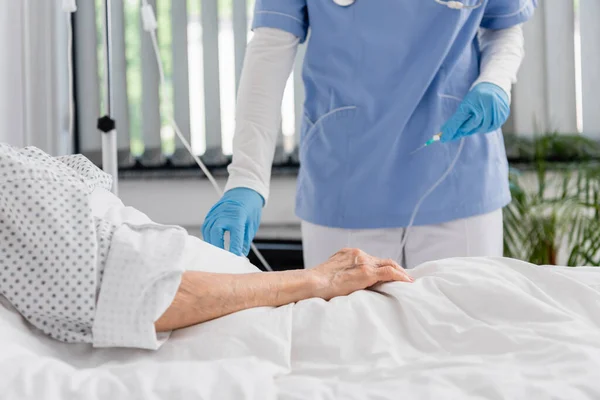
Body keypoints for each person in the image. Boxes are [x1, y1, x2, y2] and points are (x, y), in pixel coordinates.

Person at [202, 0, 537, 269]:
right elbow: (270, 50)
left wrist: (496, 81)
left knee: (463, 341)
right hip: (347, 185)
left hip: (457, 177)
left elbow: (504, 27)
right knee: (348, 345)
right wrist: (247, 177)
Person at [0, 144, 412, 349]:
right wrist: (315, 279)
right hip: (236, 310)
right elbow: (139, 295)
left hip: (236, 295)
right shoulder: (6, 179)